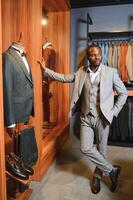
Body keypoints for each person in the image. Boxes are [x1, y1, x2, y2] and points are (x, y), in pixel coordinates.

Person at [38, 44, 127, 194]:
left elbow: (123, 93)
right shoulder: (81, 72)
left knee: (102, 150)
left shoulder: (111, 72)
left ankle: (97, 177)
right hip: (85, 116)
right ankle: (112, 171)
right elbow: (64, 78)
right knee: (85, 147)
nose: (97, 57)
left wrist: (113, 112)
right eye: (93, 55)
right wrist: (45, 70)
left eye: (98, 54)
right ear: (88, 57)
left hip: (103, 118)